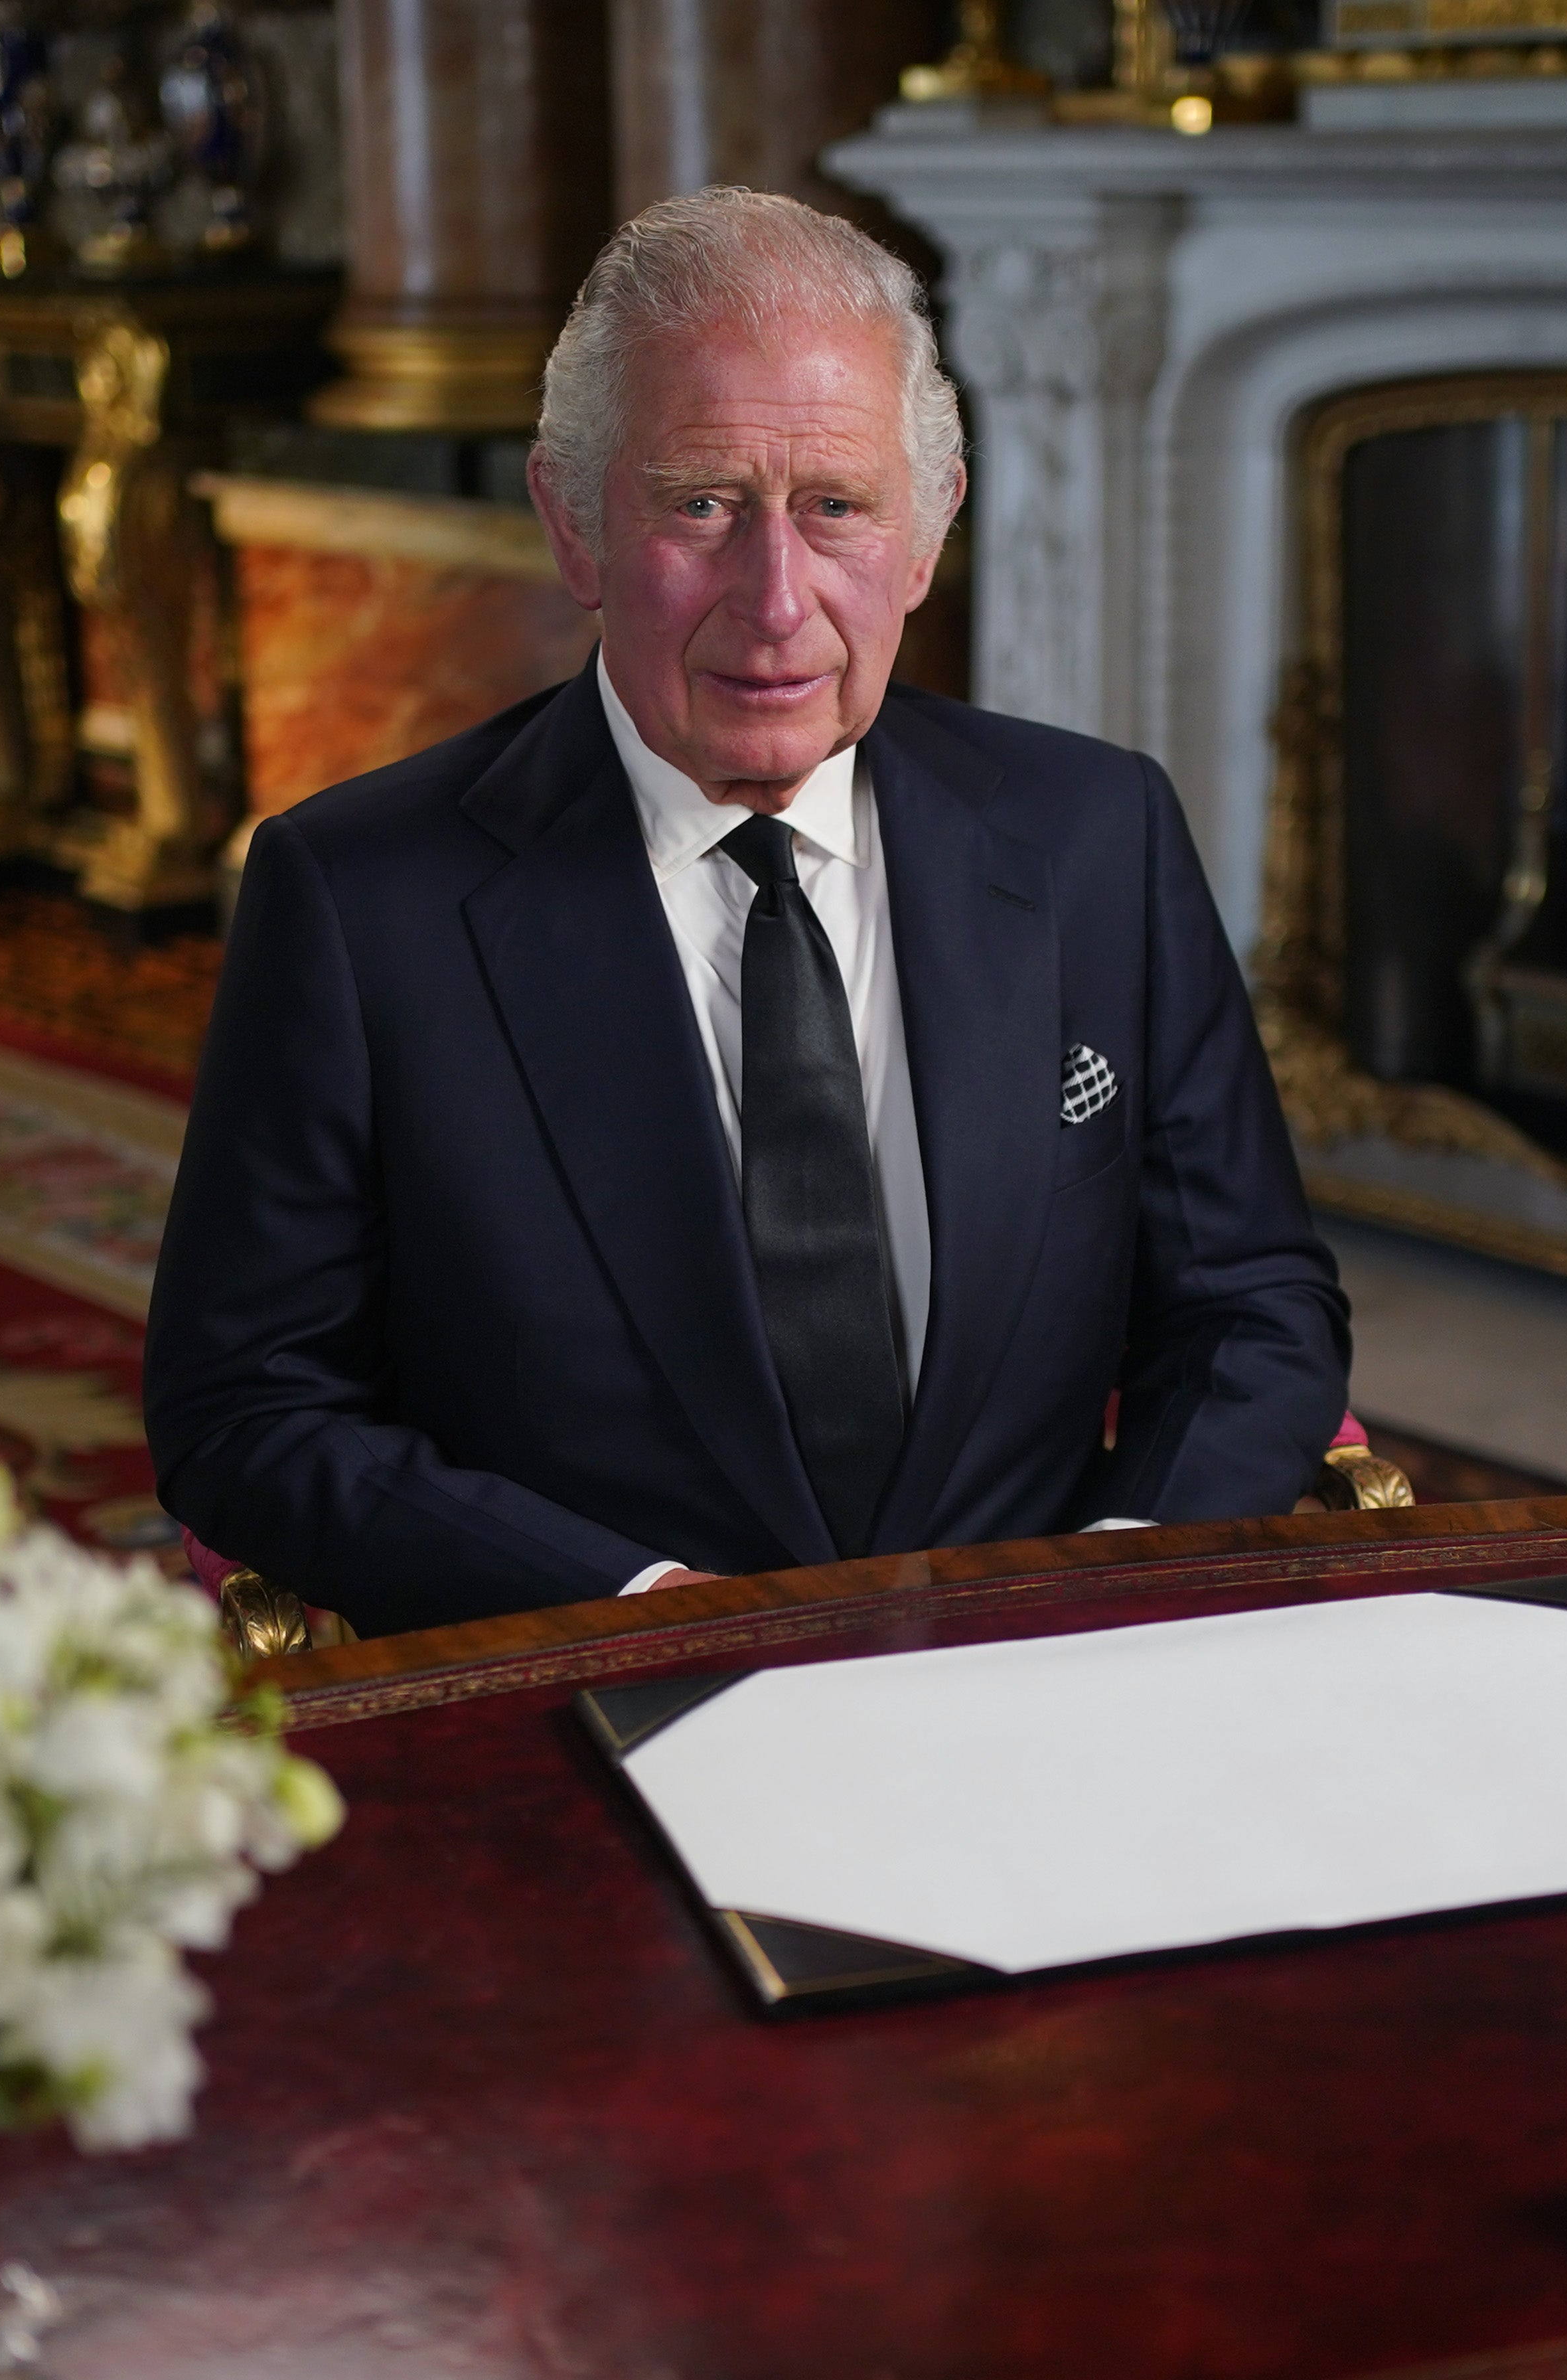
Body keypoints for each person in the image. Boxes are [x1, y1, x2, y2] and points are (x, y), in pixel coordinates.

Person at [145, 188, 1351, 1636]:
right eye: (701, 505)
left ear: (928, 531)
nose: (777, 601)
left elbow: (1250, 1302)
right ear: (573, 526)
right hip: (594, 1701)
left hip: (1050, 1680)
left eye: (836, 507)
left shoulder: (1099, 837)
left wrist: (1114, 1572)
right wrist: (632, 1607)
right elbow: (247, 1404)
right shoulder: (360, 900)